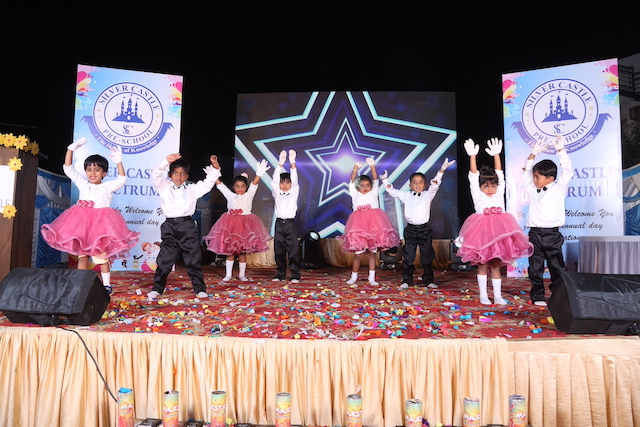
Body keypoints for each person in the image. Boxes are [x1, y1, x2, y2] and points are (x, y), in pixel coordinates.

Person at [41, 137, 140, 295]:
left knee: (102, 258)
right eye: (89, 169)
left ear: (104, 173)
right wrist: (70, 149)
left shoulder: (107, 186)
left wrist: (119, 163)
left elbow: (122, 179)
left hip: (100, 227)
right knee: (83, 257)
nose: (92, 173)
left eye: (97, 170)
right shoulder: (83, 183)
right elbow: (68, 168)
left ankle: (106, 285)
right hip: (83, 226)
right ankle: (80, 283)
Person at [457, 137, 534, 305]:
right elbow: (473, 176)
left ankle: (498, 296)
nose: (490, 189)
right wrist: (472, 157)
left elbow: (500, 174)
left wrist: (497, 155)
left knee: (496, 265)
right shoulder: (477, 193)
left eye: (493, 185)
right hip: (482, 232)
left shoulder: (499, 191)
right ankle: (483, 295)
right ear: (480, 187)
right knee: (482, 264)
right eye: (486, 186)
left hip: (499, 232)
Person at [147, 153, 221, 299]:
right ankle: (157, 288)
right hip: (169, 226)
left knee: (193, 259)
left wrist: (215, 168)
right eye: (175, 173)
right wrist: (165, 161)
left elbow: (207, 184)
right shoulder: (164, 186)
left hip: (187, 225)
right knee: (165, 259)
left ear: (187, 176)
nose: (179, 177)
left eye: (182, 174)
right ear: (170, 174)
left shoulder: (192, 189)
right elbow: (155, 175)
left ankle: (199, 289)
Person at [383, 158, 456, 288]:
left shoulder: (428, 195)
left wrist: (442, 169)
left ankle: (428, 280)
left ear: (425, 185)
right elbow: (393, 192)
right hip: (410, 230)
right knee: (408, 257)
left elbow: (435, 184)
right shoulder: (406, 196)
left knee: (427, 257)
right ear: (410, 185)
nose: (417, 185)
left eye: (421, 182)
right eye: (414, 182)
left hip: (424, 230)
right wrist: (385, 181)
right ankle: (406, 280)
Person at [204, 159, 273, 282]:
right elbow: (220, 186)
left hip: (245, 227)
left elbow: (254, 185)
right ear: (233, 187)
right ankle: (228, 274)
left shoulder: (249, 194)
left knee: (242, 253)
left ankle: (242, 274)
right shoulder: (230, 195)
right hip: (230, 226)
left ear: (246, 187)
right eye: (237, 186)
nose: (240, 188)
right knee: (230, 252)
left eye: (242, 186)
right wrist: (213, 175)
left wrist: (259, 174)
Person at [524, 135, 572, 307]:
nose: (534, 180)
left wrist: (561, 150)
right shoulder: (532, 189)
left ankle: (559, 295)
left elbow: (568, 171)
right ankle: (537, 295)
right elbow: (526, 173)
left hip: (552, 234)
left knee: (557, 267)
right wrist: (532, 155)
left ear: (550, 179)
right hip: (535, 233)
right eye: (534, 177)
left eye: (538, 177)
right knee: (535, 268)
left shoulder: (559, 188)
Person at [337, 157, 401, 286]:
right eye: (362, 186)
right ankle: (353, 277)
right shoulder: (355, 193)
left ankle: (372, 278)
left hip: (373, 226)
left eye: (367, 185)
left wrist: (372, 166)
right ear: (358, 187)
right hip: (359, 227)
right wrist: (355, 168)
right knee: (358, 255)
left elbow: (375, 179)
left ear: (371, 186)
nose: (365, 188)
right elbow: (352, 181)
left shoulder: (373, 192)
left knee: (372, 253)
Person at [270, 149, 301, 283]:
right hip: (279, 224)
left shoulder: (294, 192)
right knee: (279, 251)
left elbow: (295, 179)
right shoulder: (276, 192)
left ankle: (295, 274)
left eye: (287, 182)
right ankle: (280, 274)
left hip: (290, 224)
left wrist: (292, 162)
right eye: (282, 183)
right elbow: (274, 180)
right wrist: (280, 164)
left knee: (293, 251)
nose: (284, 185)